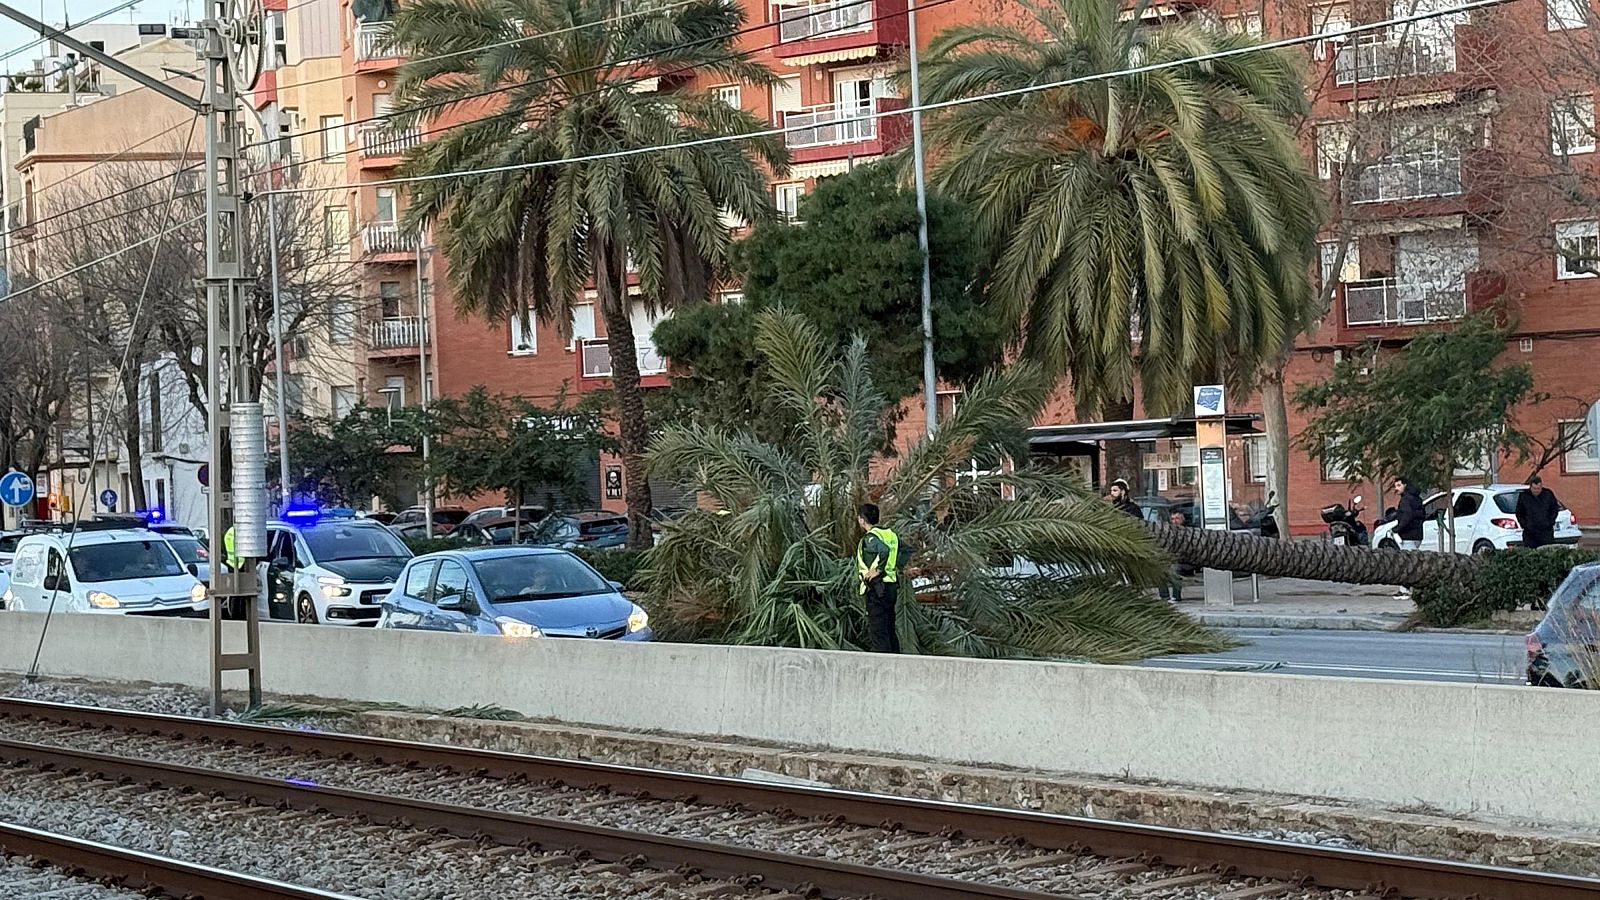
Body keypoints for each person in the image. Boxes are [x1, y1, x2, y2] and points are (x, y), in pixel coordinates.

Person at [855, 503, 900, 653]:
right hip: (891, 586)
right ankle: (896, 662)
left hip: (876, 588)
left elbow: (884, 550)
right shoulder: (890, 534)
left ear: (862, 520)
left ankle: (882, 668)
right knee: (889, 630)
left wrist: (877, 570)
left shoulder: (870, 538)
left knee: (878, 632)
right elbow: (904, 551)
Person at [1515, 475, 1561, 550]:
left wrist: (1550, 522)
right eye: (1534, 489)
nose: (1537, 491)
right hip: (1530, 533)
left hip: (1546, 532)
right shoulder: (1524, 496)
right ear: (1530, 487)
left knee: (1547, 552)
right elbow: (1519, 513)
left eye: (1539, 488)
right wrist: (1525, 525)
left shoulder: (1548, 494)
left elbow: (1554, 509)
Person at [1158, 509, 1189, 602]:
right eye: (1172, 519)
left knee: (1174, 571)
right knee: (1160, 571)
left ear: (1182, 519)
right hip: (1168, 556)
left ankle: (1176, 596)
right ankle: (1164, 596)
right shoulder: (1167, 531)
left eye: (1177, 518)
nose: (1174, 521)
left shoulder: (1188, 531)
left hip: (1181, 557)